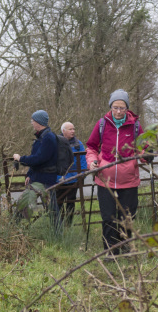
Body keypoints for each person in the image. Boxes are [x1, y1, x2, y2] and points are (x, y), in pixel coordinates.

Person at [85, 89, 143, 255]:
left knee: (127, 217)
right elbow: (91, 146)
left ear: (127, 109)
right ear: (110, 107)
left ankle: (125, 246)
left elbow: (143, 148)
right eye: (115, 107)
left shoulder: (135, 126)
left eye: (122, 108)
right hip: (105, 180)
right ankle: (111, 251)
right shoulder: (102, 124)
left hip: (129, 180)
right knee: (108, 217)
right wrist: (92, 162)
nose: (118, 111)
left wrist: (147, 156)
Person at [13, 110, 61, 231]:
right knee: (23, 205)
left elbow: (39, 158)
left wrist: (20, 159)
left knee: (52, 210)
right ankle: (13, 231)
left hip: (46, 179)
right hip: (36, 178)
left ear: (38, 122)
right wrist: (30, 174)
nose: (31, 123)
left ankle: (58, 235)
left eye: (32, 121)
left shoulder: (48, 138)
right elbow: (36, 158)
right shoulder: (41, 137)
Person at [57, 121, 87, 226]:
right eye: (70, 129)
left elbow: (83, 161)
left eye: (74, 129)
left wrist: (82, 175)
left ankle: (68, 225)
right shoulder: (55, 143)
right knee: (58, 203)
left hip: (74, 179)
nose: (73, 131)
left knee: (71, 203)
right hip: (58, 180)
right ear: (63, 131)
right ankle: (59, 226)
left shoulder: (78, 144)